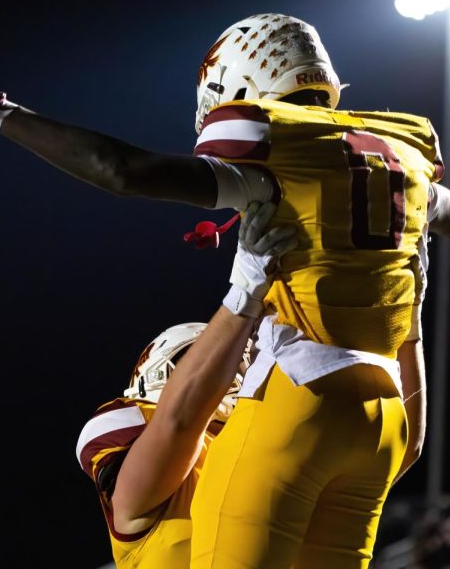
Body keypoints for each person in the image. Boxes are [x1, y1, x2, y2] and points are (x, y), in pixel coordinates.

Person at [0, 13, 450, 568]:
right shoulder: (402, 154)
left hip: (307, 401)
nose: (222, 377)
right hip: (374, 413)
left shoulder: (275, 148)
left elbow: (122, 170)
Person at [77, 202, 295, 569]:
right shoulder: (151, 459)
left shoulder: (261, 445)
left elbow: (393, 446)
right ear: (161, 373)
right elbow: (179, 422)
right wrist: (245, 290)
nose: (236, 372)